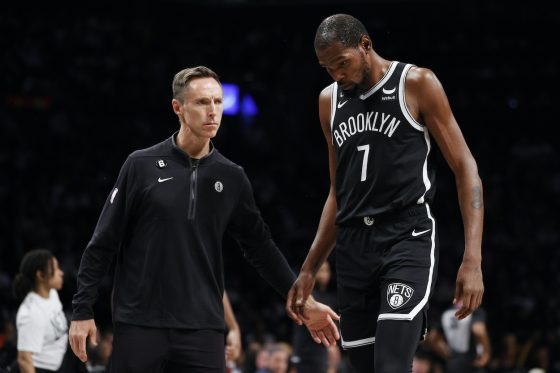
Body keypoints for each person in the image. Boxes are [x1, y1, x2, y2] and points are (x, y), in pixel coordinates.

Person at [69, 65, 340, 373]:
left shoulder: (232, 177)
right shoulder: (140, 165)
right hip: (139, 323)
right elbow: (103, 242)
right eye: (202, 102)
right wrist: (82, 309)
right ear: (178, 108)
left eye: (217, 102)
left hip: (203, 329)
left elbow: (261, 248)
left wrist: (303, 299)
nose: (213, 111)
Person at [286, 14, 485, 372]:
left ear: (365, 45)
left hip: (406, 236)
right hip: (353, 247)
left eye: (342, 64)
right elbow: (338, 191)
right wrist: (309, 267)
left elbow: (466, 168)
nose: (336, 75)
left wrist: (473, 258)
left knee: (391, 365)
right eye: (327, 68)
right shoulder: (328, 102)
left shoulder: (417, 83)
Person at [13, 249, 67, 373]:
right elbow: (24, 360)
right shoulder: (31, 313)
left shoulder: (52, 293)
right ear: (40, 275)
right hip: (43, 369)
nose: (61, 273)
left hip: (63, 360)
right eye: (56, 268)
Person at [292, 261, 337, 373]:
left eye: (326, 270)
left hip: (322, 352)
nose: (323, 275)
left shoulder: (332, 298)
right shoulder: (306, 296)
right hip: (304, 351)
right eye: (320, 270)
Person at [428, 304, 491, 372]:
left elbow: (433, 336)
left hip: (454, 361)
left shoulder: (447, 312)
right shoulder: (473, 310)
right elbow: (478, 331)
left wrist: (446, 354)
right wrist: (486, 353)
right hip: (471, 360)